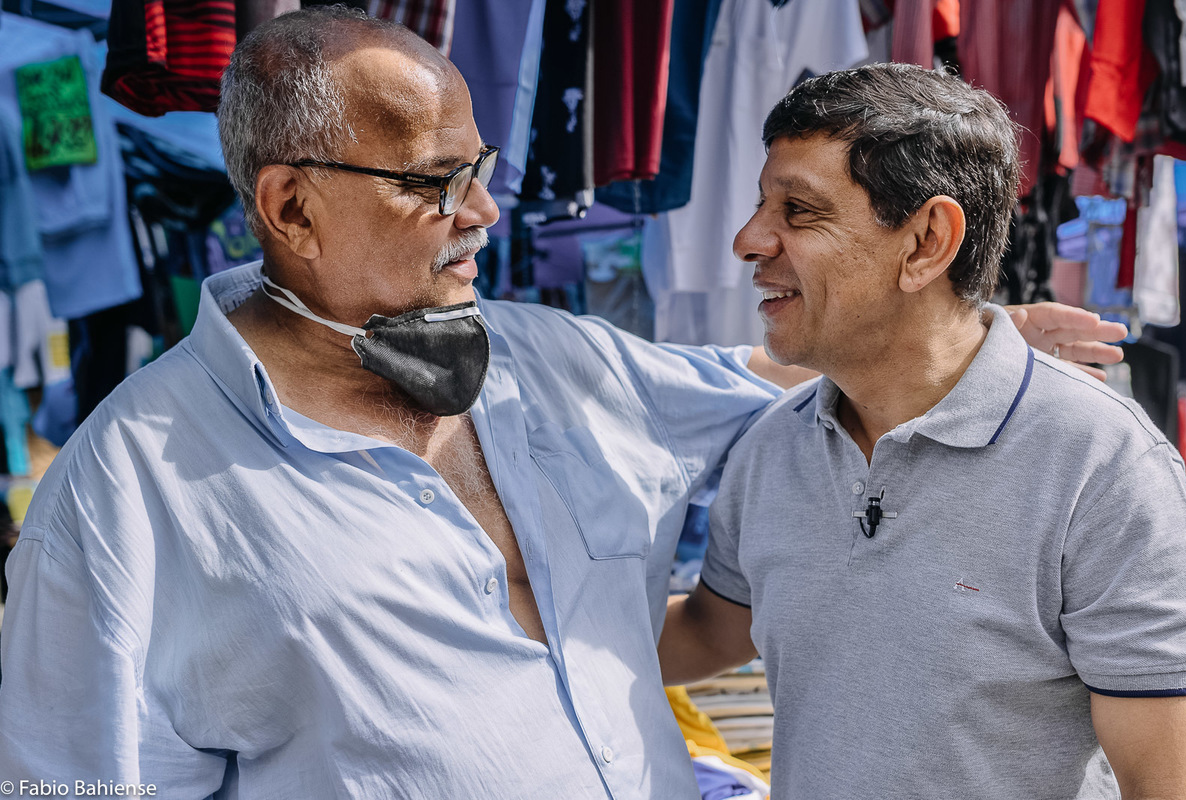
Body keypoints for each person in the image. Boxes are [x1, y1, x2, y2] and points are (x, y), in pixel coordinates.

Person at [0, 11, 1125, 797]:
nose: (484, 210)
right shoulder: (124, 493)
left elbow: (769, 381)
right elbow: (66, 779)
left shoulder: (552, 360)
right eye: (436, 182)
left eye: (480, 166)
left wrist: (971, 331)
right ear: (291, 207)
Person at [658, 63, 1186, 800]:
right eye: (761, 205)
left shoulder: (1099, 463)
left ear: (925, 242)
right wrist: (508, 611)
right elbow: (707, 631)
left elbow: (1168, 784)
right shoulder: (772, 447)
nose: (749, 240)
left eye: (799, 211)